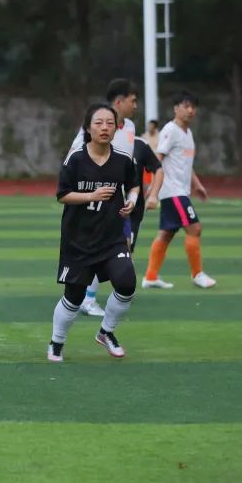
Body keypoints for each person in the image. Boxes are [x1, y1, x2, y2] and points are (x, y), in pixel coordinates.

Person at [49, 103, 140, 362]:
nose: (104, 128)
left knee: (127, 284)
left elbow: (134, 185)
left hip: (112, 238)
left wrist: (132, 201)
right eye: (98, 123)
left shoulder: (123, 159)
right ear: (88, 128)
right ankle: (56, 342)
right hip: (78, 240)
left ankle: (106, 332)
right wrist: (92, 195)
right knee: (74, 297)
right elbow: (62, 195)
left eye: (110, 123)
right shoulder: (75, 159)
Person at [68, 79, 138, 318]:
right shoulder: (92, 130)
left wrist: (132, 195)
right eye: (132, 100)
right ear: (119, 101)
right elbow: (73, 159)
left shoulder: (130, 127)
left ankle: (93, 298)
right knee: (102, 251)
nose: (135, 105)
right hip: (92, 205)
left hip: (118, 204)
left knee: (122, 249)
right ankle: (87, 298)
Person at [142, 91, 216, 289]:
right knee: (195, 228)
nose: (190, 110)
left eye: (193, 106)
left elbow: (185, 164)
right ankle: (197, 274)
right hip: (172, 191)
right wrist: (153, 188)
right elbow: (158, 158)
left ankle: (150, 277)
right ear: (176, 108)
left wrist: (197, 184)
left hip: (179, 191)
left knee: (166, 233)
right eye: (186, 106)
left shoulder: (188, 133)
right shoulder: (170, 130)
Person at [129, 132, 164, 254]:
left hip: (133, 210)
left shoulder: (140, 144)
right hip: (107, 209)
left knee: (126, 252)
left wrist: (153, 195)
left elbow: (158, 169)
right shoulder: (102, 142)